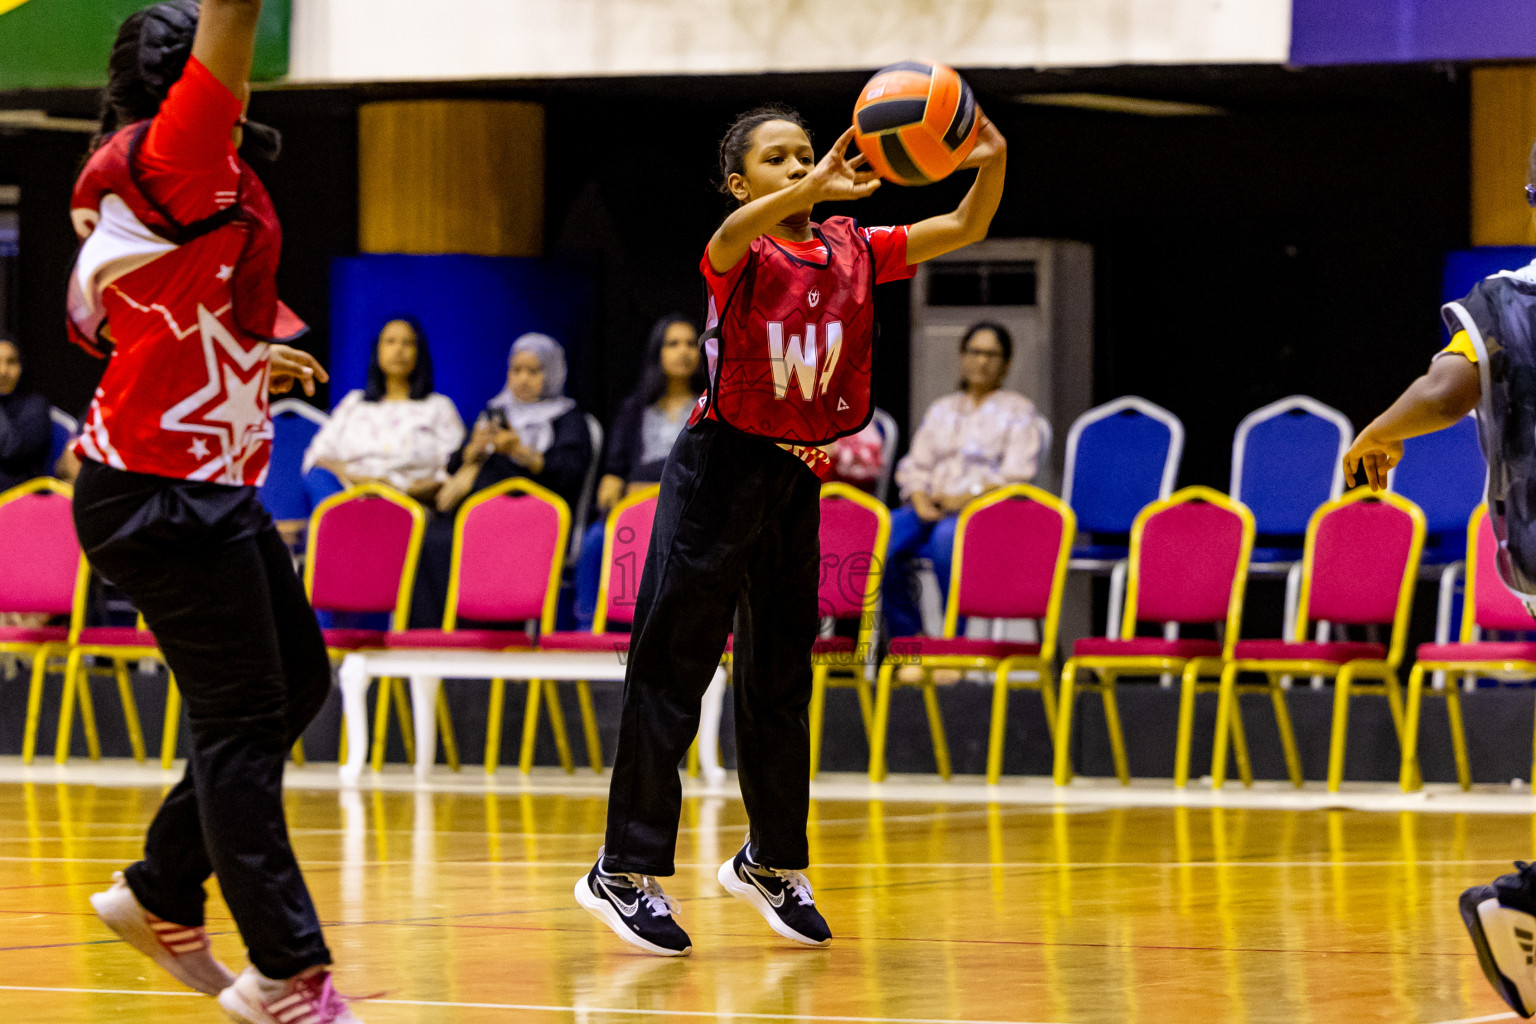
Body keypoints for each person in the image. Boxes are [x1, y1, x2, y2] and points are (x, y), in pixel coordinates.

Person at [573, 102, 1008, 956]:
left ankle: (772, 861)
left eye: (806, 153)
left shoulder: (852, 247)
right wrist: (799, 192)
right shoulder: (740, 250)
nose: (801, 166)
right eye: (778, 160)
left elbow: (963, 222)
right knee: (671, 667)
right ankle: (622, 870)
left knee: (780, 680)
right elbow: (732, 234)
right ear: (743, 182)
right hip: (717, 469)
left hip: (798, 473)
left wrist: (988, 158)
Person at [64, 2, 364, 1021]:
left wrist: (244, 356)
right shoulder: (180, 145)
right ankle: (286, 967)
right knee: (240, 719)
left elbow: (154, 309)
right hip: (161, 494)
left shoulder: (177, 165)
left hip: (189, 483)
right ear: (184, 70)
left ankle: (157, 886)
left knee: (291, 687)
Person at [1342, 141, 1536, 1020]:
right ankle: (1524, 904)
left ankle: (1523, 907)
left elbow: (1450, 384)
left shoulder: (1509, 298)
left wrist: (1379, 431)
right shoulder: (1508, 300)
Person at [410, 332, 591, 627]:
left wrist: (518, 450)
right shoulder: (495, 411)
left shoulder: (569, 418)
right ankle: (434, 649)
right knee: (432, 540)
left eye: (533, 371)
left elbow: (569, 474)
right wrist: (471, 453)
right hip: (475, 514)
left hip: (532, 517)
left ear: (553, 372)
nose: (522, 379)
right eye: (516, 370)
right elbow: (456, 463)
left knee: (482, 513)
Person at [883, 321, 1046, 638]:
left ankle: (953, 642)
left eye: (991, 354)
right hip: (929, 507)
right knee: (881, 539)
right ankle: (911, 641)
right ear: (962, 356)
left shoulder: (1019, 411)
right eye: (974, 351)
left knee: (947, 540)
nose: (981, 361)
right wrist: (918, 497)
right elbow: (916, 464)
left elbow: (1017, 477)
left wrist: (967, 496)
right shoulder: (941, 409)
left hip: (983, 513)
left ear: (1006, 363)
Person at [574, 315, 705, 627]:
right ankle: (587, 628)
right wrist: (611, 485)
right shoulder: (635, 409)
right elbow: (616, 467)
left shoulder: (709, 407)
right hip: (635, 506)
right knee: (594, 540)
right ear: (657, 352)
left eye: (690, 343)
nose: (683, 351)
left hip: (689, 507)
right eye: (673, 344)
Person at [301, 317, 464, 508]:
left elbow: (450, 472)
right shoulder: (354, 403)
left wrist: (394, 489)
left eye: (407, 343)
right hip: (350, 494)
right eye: (390, 341)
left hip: (409, 502)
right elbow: (318, 457)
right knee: (319, 478)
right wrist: (363, 481)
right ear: (377, 350)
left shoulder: (438, 406)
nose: (398, 349)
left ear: (419, 352)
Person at [0, 334, 52, 493]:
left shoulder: (35, 407)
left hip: (21, 503)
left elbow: (9, 449)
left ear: (21, 367)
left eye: (11, 362)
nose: (3, 371)